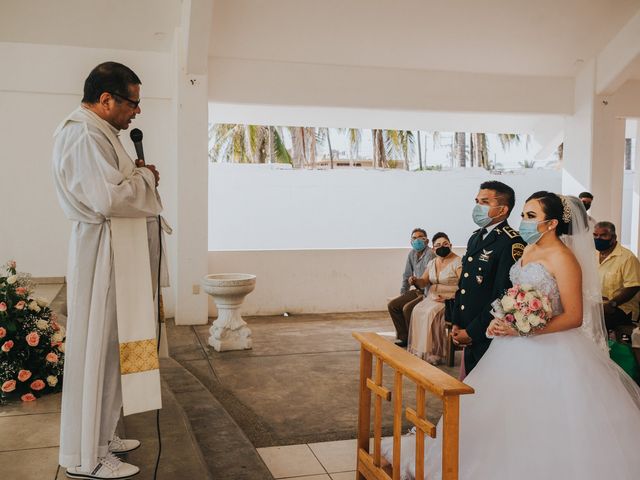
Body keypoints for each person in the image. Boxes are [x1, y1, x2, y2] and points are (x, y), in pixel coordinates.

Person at [382, 193, 640, 479]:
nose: (523, 222)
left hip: (553, 349)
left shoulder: (564, 258)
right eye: (523, 215)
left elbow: (574, 316)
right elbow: (512, 296)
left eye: (531, 216)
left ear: (552, 223)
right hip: (510, 346)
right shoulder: (528, 250)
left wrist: (524, 328)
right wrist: (500, 320)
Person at [52, 62, 164, 479]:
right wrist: (147, 180)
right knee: (99, 349)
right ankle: (88, 454)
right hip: (103, 256)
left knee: (117, 348)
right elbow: (108, 199)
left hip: (117, 254)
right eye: (133, 103)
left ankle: (101, 434)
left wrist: (139, 176)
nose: (136, 112)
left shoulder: (101, 134)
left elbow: (117, 184)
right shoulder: (83, 134)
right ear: (106, 100)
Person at [451, 181, 524, 374]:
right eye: (477, 201)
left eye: (484, 202)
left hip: (488, 332)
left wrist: (472, 331)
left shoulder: (511, 242)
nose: (477, 207)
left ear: (502, 209)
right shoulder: (476, 237)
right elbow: (464, 283)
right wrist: (457, 322)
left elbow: (503, 295)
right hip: (468, 327)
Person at [407, 232, 461, 365]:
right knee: (417, 310)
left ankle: (436, 351)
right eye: (437, 245)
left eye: (445, 244)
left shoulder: (458, 262)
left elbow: (464, 284)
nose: (441, 247)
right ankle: (422, 350)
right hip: (432, 297)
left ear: (450, 245)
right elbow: (424, 281)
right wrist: (415, 280)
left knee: (431, 313)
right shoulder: (432, 262)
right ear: (433, 248)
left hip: (449, 299)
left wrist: (452, 298)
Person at [388, 228, 436, 347]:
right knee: (393, 305)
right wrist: (403, 293)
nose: (417, 240)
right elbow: (407, 274)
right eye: (414, 238)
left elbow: (427, 278)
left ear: (427, 240)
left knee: (407, 308)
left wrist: (424, 294)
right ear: (411, 241)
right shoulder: (412, 254)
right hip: (417, 290)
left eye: (420, 237)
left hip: (428, 291)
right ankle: (403, 337)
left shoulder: (430, 254)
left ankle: (415, 340)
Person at [593, 221, 640, 329]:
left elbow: (633, 287)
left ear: (613, 238)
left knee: (593, 322)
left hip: (620, 308)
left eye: (603, 235)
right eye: (595, 235)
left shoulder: (627, 258)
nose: (598, 238)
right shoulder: (593, 255)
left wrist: (612, 303)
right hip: (597, 305)